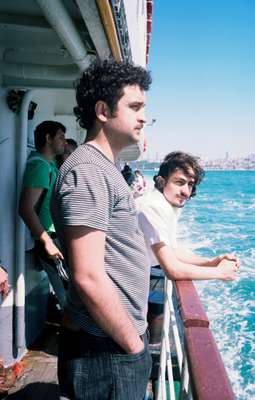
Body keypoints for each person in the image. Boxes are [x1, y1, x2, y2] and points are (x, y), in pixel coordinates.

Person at [51, 59, 152, 400]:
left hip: (109, 344)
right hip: (106, 350)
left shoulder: (102, 168)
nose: (143, 117)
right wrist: (134, 346)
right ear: (103, 111)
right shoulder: (89, 172)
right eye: (135, 106)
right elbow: (88, 276)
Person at [136, 151, 240, 281]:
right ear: (161, 182)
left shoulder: (164, 205)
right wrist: (220, 272)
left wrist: (211, 262)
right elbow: (173, 270)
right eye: (179, 182)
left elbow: (172, 251)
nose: (186, 192)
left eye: (190, 184)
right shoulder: (152, 207)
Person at [19, 121, 67, 310]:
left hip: (57, 238)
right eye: (60, 137)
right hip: (51, 240)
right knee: (68, 296)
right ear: (48, 138)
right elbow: (25, 208)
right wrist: (47, 242)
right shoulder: (39, 166)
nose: (64, 142)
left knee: (71, 293)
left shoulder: (49, 164)